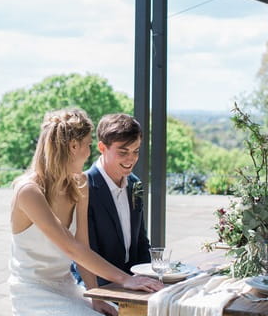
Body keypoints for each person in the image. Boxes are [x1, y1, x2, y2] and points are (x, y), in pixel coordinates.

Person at [9, 109, 163, 316]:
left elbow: (83, 244)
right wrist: (126, 279)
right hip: (32, 291)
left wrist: (94, 295)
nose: (90, 153)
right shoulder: (29, 192)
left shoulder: (80, 183)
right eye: (88, 145)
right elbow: (72, 248)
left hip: (68, 286)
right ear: (73, 147)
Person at [74, 113, 151, 291]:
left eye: (136, 151)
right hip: (94, 285)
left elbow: (141, 242)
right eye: (123, 152)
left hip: (131, 283)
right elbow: (84, 252)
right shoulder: (84, 187)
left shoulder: (135, 184)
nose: (131, 159)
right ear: (102, 147)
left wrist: (149, 279)